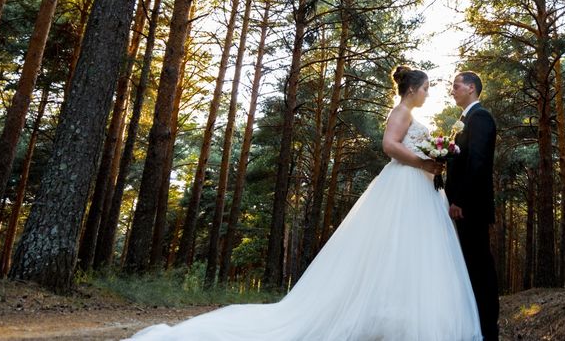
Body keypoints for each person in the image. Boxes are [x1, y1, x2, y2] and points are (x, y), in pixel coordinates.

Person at [126, 66, 482, 341]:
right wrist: (422, 162)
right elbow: (389, 146)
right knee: (390, 249)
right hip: (404, 185)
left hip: (417, 187)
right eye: (425, 88)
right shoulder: (401, 112)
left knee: (408, 253)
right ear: (411, 89)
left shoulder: (411, 115)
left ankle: (397, 316)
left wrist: (431, 160)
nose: (428, 92)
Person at [446, 71, 500, 341]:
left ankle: (489, 331)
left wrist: (460, 200)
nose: (452, 91)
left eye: (456, 86)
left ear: (471, 88)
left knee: (480, 267)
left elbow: (478, 163)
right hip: (464, 207)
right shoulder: (464, 121)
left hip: (472, 208)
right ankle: (475, 327)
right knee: (470, 267)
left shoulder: (481, 118)